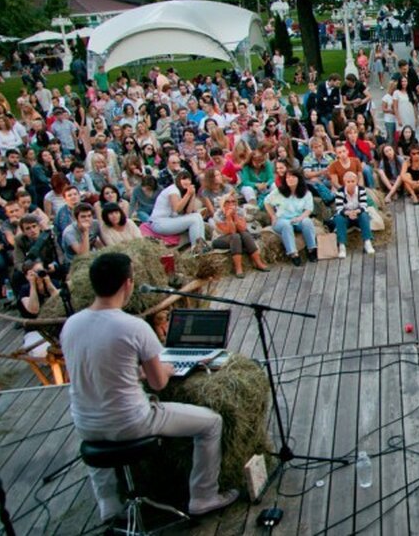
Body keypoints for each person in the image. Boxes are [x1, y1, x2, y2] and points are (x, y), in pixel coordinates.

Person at [61, 253, 239, 525]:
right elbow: (159, 383)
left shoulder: (71, 325)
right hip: (132, 422)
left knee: (97, 424)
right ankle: (204, 496)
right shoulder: (133, 326)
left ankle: (108, 506)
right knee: (212, 423)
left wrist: (134, 372)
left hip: (86, 424)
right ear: (128, 284)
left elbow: (98, 367)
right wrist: (167, 367)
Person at [265, 172, 319, 266]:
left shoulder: (306, 193)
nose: (290, 179)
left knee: (307, 221)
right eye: (287, 177)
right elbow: (266, 202)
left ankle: (312, 249)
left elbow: (308, 209)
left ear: (299, 179)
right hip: (281, 219)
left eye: (293, 177)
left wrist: (299, 218)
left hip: (298, 218)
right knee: (286, 225)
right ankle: (293, 254)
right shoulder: (279, 191)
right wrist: (273, 215)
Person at [211, 195, 270, 278]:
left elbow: (242, 228)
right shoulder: (218, 215)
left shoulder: (240, 211)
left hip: (237, 236)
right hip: (221, 238)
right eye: (227, 202)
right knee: (235, 236)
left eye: (233, 201)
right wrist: (228, 217)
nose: (231, 203)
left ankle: (258, 263)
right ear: (223, 204)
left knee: (245, 234)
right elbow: (230, 231)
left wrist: (235, 215)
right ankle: (238, 268)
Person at [149, 170, 207, 246]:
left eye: (188, 179)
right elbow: (177, 209)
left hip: (170, 220)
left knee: (197, 215)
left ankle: (202, 245)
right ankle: (197, 248)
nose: (186, 182)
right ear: (178, 180)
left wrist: (192, 195)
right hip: (159, 223)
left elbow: (188, 212)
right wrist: (188, 194)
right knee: (194, 220)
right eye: (183, 179)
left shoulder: (183, 191)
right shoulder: (173, 190)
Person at [333, 171, 375, 258]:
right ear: (344, 182)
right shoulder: (340, 192)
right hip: (346, 217)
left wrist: (356, 212)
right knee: (339, 217)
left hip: (358, 215)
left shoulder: (361, 190)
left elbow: (364, 206)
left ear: (356, 181)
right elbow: (339, 208)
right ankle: (342, 246)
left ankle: (367, 242)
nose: (351, 184)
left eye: (353, 181)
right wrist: (348, 213)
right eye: (348, 182)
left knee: (364, 215)